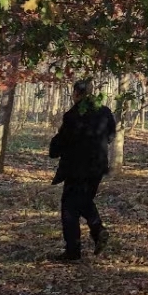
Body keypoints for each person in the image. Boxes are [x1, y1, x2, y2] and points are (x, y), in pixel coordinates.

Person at [47, 79, 116, 263]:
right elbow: (111, 135)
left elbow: (61, 143)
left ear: (77, 93)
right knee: (83, 201)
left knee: (70, 207)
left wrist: (53, 148)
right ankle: (96, 233)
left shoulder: (73, 115)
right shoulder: (105, 112)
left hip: (76, 169)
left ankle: (74, 250)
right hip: (98, 168)